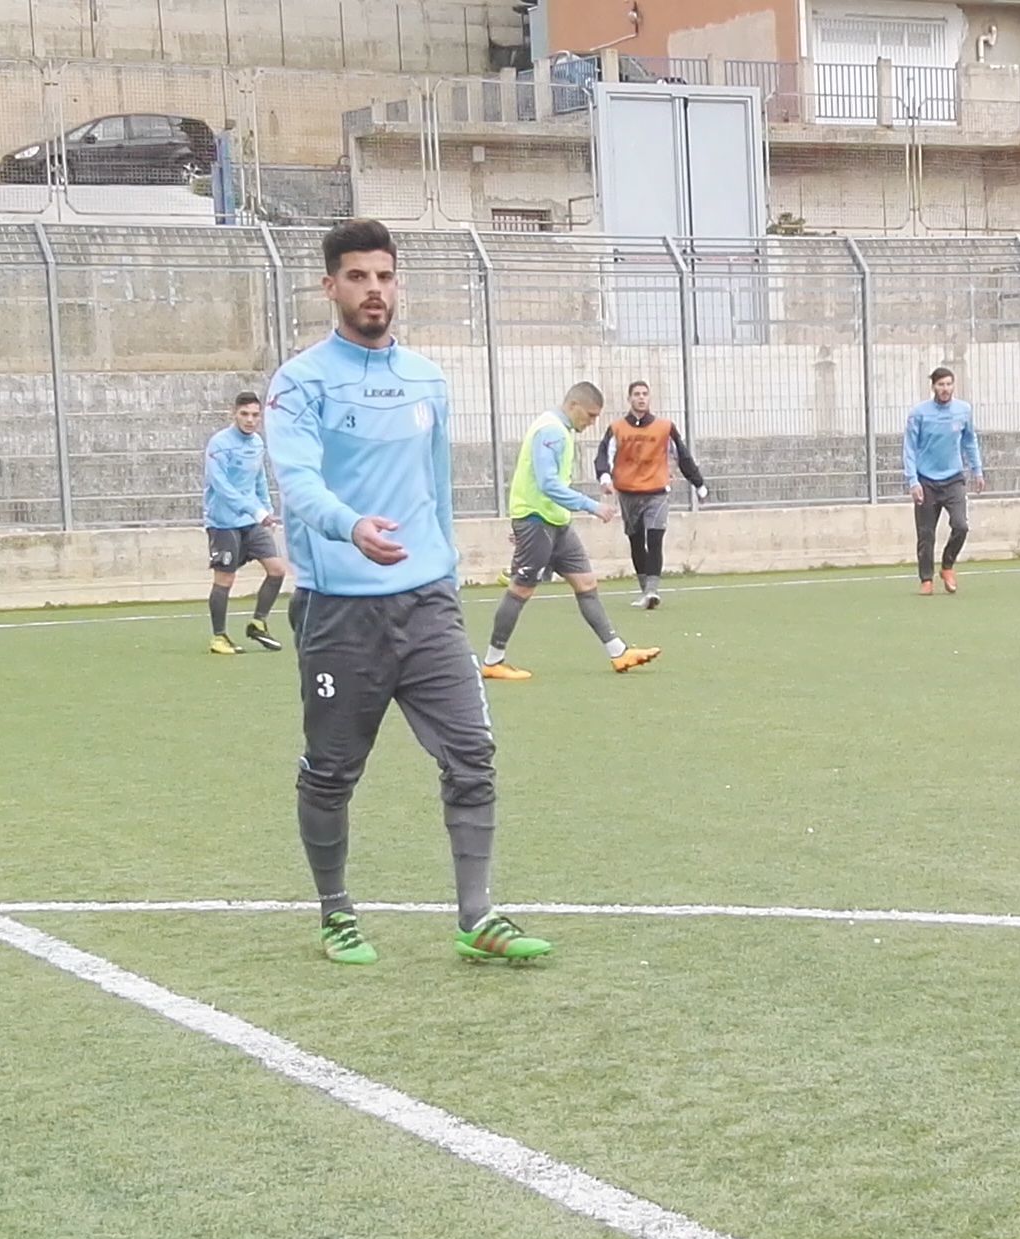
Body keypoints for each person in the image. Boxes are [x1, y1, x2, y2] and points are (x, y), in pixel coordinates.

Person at [265, 218, 550, 968]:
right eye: (358, 277)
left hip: (427, 603)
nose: (374, 290)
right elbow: (297, 483)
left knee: (472, 752)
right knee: (332, 770)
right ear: (330, 286)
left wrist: (445, 569)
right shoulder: (300, 382)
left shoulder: (427, 379)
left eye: (385, 277)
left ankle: (477, 917)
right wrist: (351, 526)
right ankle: (336, 913)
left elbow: (435, 486)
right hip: (338, 609)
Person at [481, 384, 660, 681]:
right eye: (590, 415)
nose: (592, 422)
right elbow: (548, 484)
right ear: (574, 405)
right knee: (521, 588)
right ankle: (493, 660)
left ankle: (618, 652)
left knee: (586, 583)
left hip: (556, 521)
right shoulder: (551, 431)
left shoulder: (562, 430)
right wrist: (592, 506)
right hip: (536, 519)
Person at [594, 380, 707, 609]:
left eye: (645, 394)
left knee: (655, 539)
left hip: (657, 492)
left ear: (650, 398)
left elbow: (682, 456)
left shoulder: (665, 427)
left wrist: (699, 483)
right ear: (629, 399)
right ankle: (645, 589)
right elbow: (604, 455)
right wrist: (605, 478)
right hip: (628, 493)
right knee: (636, 541)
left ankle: (652, 591)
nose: (641, 398)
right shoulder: (617, 428)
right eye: (636, 394)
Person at [202, 391, 288, 654]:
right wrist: (255, 510)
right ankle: (219, 637)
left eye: (255, 415)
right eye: (245, 414)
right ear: (234, 414)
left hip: (251, 521)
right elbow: (222, 486)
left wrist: (266, 509)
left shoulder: (257, 443)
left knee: (277, 570)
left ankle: (258, 623)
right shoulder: (219, 444)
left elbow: (259, 478)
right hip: (223, 522)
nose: (250, 420)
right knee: (225, 578)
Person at [903, 366, 984, 596]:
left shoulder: (963, 410)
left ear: (953, 385)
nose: (945, 389)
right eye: (941, 385)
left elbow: (969, 441)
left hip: (953, 479)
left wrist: (977, 470)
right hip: (926, 481)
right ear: (933, 387)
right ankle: (926, 579)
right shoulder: (919, 413)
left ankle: (947, 566)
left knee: (961, 526)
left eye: (949, 384)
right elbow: (909, 448)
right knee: (926, 533)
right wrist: (913, 481)